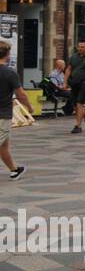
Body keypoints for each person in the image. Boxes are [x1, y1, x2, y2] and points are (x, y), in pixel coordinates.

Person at [0, 40, 31, 179]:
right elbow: (21, 94)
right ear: (7, 55)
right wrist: (29, 107)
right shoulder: (9, 72)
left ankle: (14, 170)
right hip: (2, 115)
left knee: (4, 145)